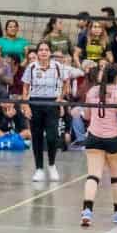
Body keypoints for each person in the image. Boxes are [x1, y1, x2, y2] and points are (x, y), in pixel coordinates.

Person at [76, 63, 117, 228]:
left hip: (94, 138)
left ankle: (87, 211)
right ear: (116, 76)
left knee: (93, 176)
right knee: (116, 178)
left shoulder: (92, 91)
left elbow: (86, 116)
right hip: (114, 139)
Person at [22, 42, 77, 182]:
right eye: (41, 50)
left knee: (52, 137)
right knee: (37, 137)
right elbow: (25, 88)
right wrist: (26, 105)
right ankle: (39, 168)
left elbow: (66, 82)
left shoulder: (57, 66)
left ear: (50, 52)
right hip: (35, 102)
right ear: (38, 52)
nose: (43, 52)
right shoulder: (32, 66)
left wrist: (60, 98)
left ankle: (52, 165)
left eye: (46, 50)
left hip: (52, 103)